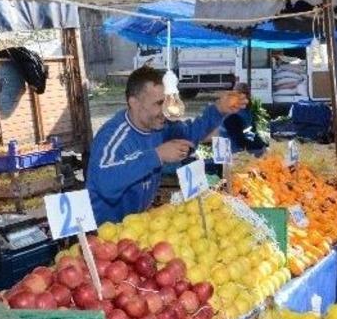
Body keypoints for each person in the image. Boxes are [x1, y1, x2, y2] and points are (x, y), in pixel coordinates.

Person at [87, 66, 247, 224]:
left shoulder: (160, 126)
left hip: (138, 225)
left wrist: (219, 109)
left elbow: (190, 133)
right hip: (105, 231)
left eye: (167, 102)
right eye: (159, 103)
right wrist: (158, 155)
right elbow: (104, 183)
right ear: (134, 103)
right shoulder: (113, 138)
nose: (165, 110)